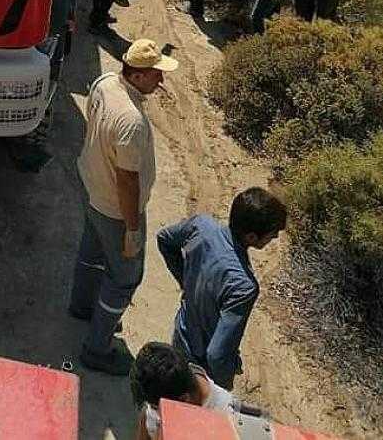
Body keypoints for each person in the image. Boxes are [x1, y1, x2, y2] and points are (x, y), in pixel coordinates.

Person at [69, 39, 181, 375]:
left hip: (92, 186)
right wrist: (132, 228)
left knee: (90, 254)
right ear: (139, 75)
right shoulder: (132, 122)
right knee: (124, 278)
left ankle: (82, 307)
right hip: (117, 210)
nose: (160, 81)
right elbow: (128, 181)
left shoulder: (105, 83)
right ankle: (97, 348)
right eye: (156, 75)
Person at [156, 188, 287, 390]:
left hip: (181, 333)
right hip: (201, 368)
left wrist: (186, 281)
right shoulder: (243, 286)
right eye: (272, 234)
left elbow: (165, 239)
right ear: (252, 237)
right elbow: (217, 354)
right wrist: (222, 389)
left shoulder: (201, 226)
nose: (276, 237)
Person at [130, 342, 239, 439]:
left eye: (155, 407)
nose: (152, 411)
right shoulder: (164, 387)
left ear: (184, 400)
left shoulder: (226, 423)